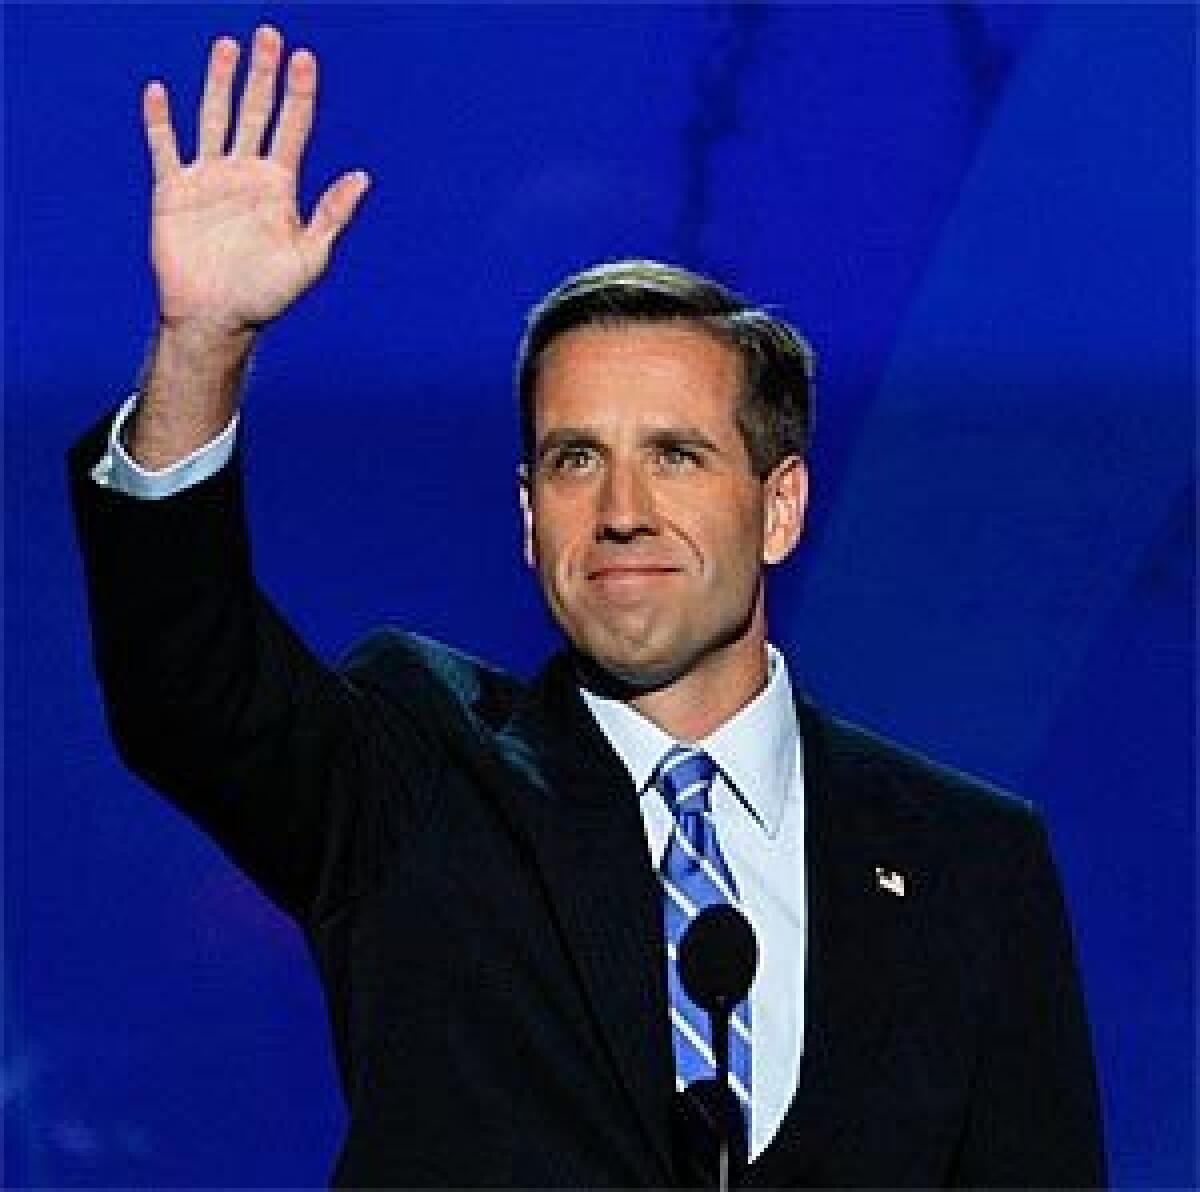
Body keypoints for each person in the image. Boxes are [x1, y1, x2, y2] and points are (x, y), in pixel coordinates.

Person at [68, 25, 1106, 1188]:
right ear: (527, 516)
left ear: (780, 504)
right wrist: (201, 348)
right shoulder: (416, 772)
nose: (621, 509)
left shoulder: (970, 859)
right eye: (574, 461)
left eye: (674, 456)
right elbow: (186, 691)